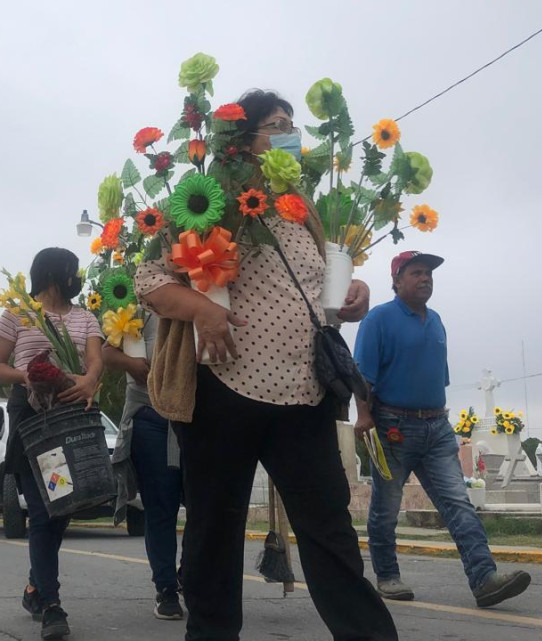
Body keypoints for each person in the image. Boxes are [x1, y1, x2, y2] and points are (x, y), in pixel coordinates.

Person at [135, 90, 396, 641]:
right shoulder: (209, 199)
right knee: (214, 531)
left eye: (292, 126)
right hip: (223, 391)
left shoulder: (300, 210)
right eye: (276, 125)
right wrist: (202, 310)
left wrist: (354, 294)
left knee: (329, 530)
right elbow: (150, 280)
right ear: (242, 138)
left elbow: (318, 292)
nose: (289, 136)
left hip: (304, 393)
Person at [353, 251, 531, 608]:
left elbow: (437, 378)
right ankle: (387, 576)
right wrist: (363, 415)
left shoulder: (436, 322)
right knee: (386, 508)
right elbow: (361, 375)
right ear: (397, 280)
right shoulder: (378, 319)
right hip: (392, 426)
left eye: (429, 274)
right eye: (417, 273)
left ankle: (485, 579)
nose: (425, 279)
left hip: (436, 427)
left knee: (458, 502)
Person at [0, 247, 104, 640]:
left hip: (71, 416)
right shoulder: (17, 314)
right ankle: (52, 606)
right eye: (73, 271)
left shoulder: (86, 317)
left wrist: (88, 381)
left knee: (62, 509)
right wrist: (28, 376)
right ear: (55, 274)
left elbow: (95, 360)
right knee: (42, 511)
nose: (77, 278)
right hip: (33, 420)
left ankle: (35, 587)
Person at [103, 310, 184, 620]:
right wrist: (130, 363)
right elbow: (107, 353)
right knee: (161, 507)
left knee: (205, 506)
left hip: (198, 418)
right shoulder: (135, 311)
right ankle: (166, 588)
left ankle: (189, 574)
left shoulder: (206, 296)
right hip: (150, 417)